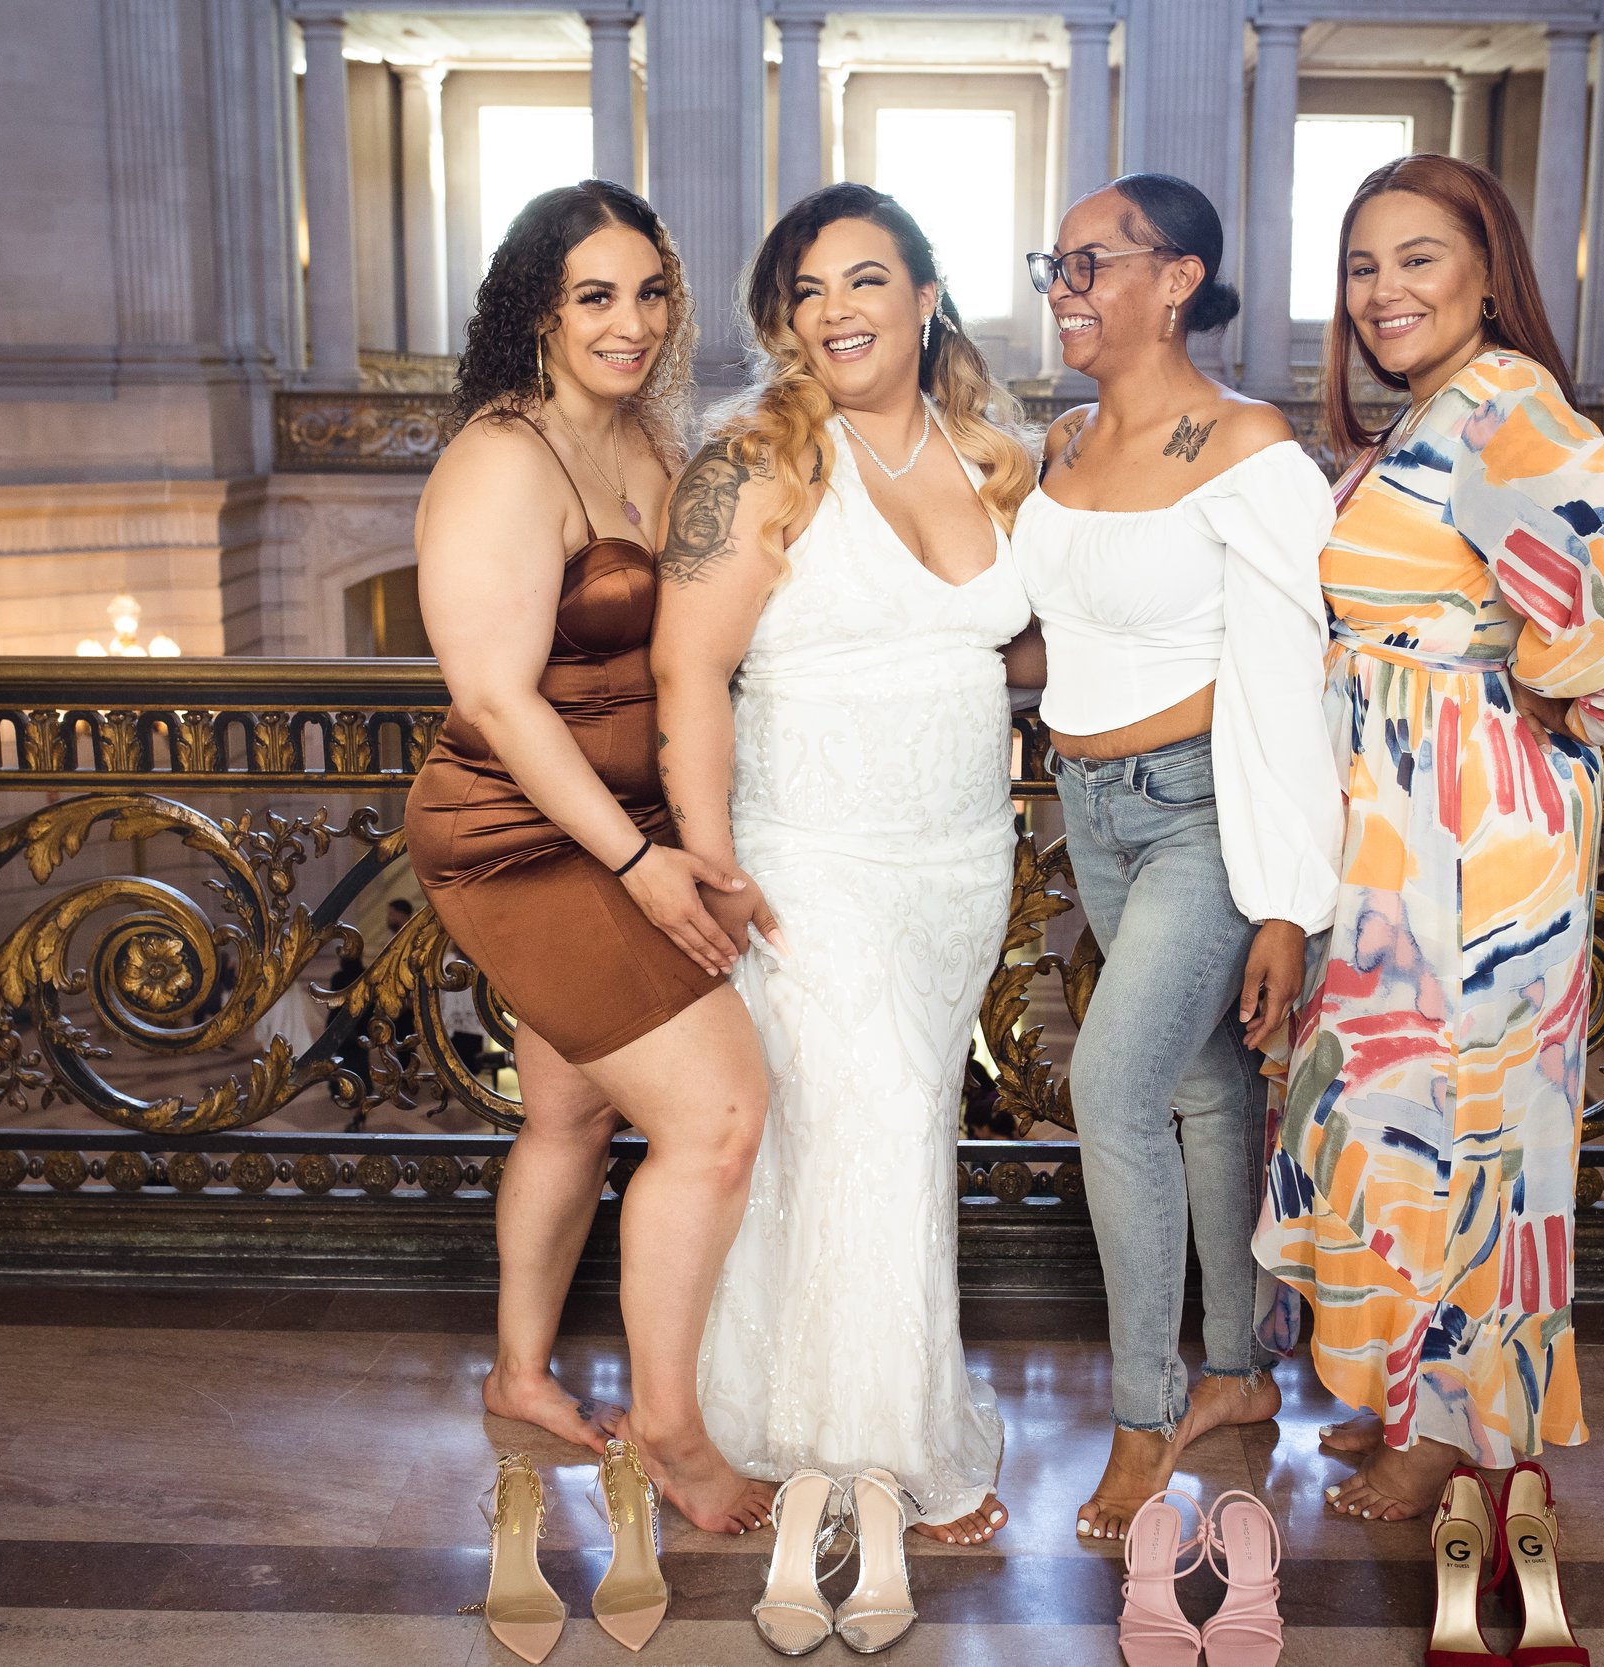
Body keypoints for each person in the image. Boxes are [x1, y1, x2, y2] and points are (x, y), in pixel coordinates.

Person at [1260, 153, 1604, 1519]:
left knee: (1469, 1126)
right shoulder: (1435, 414)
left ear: (1487, 272)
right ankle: (1409, 1385)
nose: (1383, 290)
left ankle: (1458, 1427)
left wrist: (1561, 679)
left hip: (1471, 837)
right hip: (1400, 835)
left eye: (1418, 259)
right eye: (1361, 266)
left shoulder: (1504, 403)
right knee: (1397, 1119)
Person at [659, 183, 1038, 1546]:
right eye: (808, 293)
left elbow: (1019, 651)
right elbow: (687, 671)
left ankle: (783, 1406)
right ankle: (882, 1459)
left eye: (865, 281)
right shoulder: (755, 462)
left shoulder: (999, 457)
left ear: (926, 297)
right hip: (805, 857)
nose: (836, 313)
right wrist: (708, 858)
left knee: (882, 1139)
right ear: (784, 321)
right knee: (865, 1126)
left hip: (957, 866)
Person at [403, 179, 774, 1534]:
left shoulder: (651, 442)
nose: (632, 322)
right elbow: (498, 699)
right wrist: (640, 862)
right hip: (522, 836)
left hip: (621, 826)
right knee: (719, 1115)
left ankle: (518, 1376)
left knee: (568, 1111)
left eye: (652, 293)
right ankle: (671, 1434)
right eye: (597, 296)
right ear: (538, 311)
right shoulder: (504, 457)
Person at [1014, 172, 1343, 1540]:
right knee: (1206, 1083)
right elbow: (1048, 633)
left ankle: (1144, 1422)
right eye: (1056, 264)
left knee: (1115, 1079)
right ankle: (1237, 1375)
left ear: (1178, 279)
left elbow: (1295, 676)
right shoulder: (1064, 442)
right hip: (1088, 802)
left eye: (1092, 261)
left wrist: (1284, 900)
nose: (1064, 287)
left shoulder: (1251, 446)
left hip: (1208, 806)